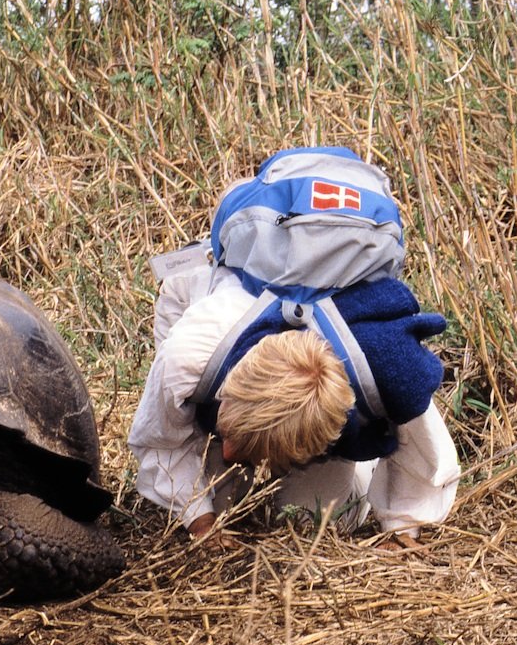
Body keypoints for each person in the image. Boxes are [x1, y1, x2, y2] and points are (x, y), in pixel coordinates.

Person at [128, 179, 460, 549]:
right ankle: (235, 440)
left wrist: (402, 529)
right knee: (219, 502)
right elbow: (159, 438)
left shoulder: (389, 366)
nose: (229, 451)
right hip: (204, 301)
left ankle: (351, 460)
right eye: (232, 434)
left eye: (242, 444)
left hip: (331, 403)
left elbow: (427, 450)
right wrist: (201, 522)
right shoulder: (190, 354)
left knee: (319, 519)